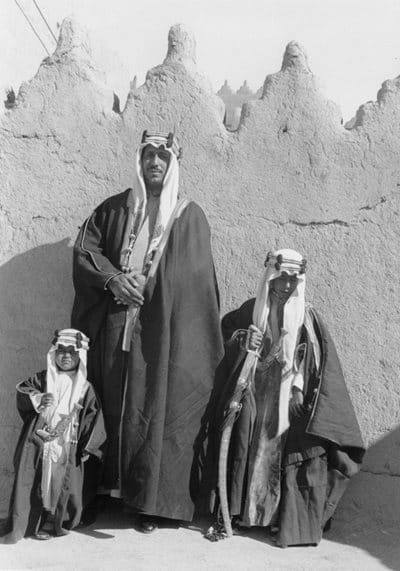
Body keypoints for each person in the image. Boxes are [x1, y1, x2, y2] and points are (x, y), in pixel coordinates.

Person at [71, 131, 223, 533]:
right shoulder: (113, 209)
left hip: (159, 335)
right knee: (109, 404)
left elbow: (194, 278)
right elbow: (86, 250)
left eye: (162, 156)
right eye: (148, 155)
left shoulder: (189, 215)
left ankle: (147, 502)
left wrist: (152, 289)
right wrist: (113, 280)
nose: (154, 162)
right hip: (114, 327)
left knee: (152, 407)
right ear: (139, 161)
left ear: (173, 165)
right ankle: (99, 494)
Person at [211, 249, 365, 547]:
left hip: (289, 402)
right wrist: (244, 339)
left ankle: (280, 519)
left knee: (285, 457)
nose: (285, 286)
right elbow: (225, 335)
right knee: (247, 450)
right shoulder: (250, 310)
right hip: (254, 396)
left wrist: (298, 385)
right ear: (270, 278)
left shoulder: (308, 317)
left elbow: (318, 362)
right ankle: (244, 515)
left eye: (292, 281)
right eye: (280, 279)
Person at [0, 329, 106, 543]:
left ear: (81, 356)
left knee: (60, 482)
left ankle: (52, 521)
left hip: (67, 444)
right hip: (39, 441)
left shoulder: (86, 388)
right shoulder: (41, 378)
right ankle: (31, 520)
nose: (66, 356)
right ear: (53, 353)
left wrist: (88, 446)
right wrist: (38, 399)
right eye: (61, 351)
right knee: (38, 479)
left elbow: (93, 418)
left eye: (71, 352)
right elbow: (23, 391)